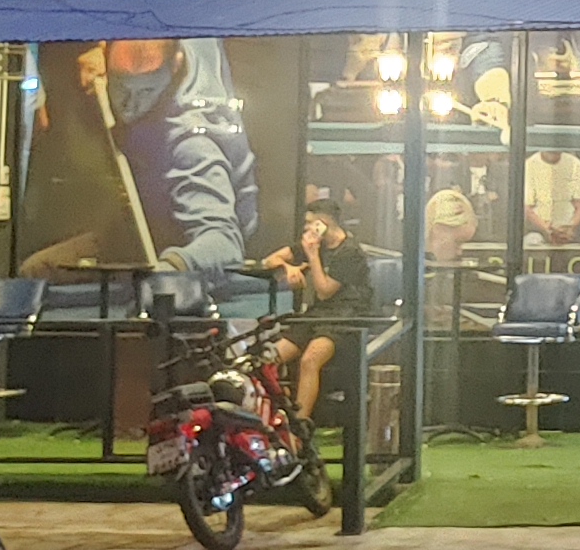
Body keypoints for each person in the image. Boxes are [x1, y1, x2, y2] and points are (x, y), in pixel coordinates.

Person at [79, 38, 262, 275]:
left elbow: (226, 243)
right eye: (121, 87)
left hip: (187, 248)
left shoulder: (192, 145)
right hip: (140, 223)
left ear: (176, 64)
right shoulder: (194, 34)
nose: (129, 106)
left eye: (147, 90)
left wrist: (169, 271)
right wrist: (96, 41)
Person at [255, 197, 365, 427]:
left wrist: (312, 256)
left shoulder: (350, 253)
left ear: (324, 223)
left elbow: (324, 291)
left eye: (310, 223)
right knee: (270, 357)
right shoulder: (314, 244)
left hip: (345, 317)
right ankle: (274, 415)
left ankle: (300, 427)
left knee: (310, 359)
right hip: (317, 315)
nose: (306, 228)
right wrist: (289, 268)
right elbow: (269, 260)